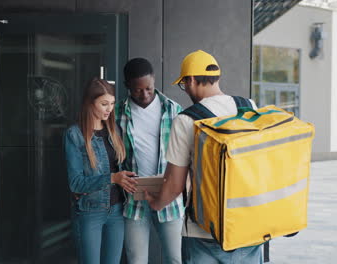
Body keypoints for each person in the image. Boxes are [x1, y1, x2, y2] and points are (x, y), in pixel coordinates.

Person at [145, 50, 263, 263]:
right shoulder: (249, 107)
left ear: (190, 80)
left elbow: (174, 184)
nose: (185, 89)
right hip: (249, 224)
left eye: (184, 84)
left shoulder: (186, 120)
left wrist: (156, 203)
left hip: (203, 232)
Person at [115, 58, 184, 264]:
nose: (144, 95)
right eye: (137, 90)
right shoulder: (117, 112)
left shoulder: (173, 109)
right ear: (127, 86)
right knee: (136, 259)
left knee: (176, 258)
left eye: (149, 88)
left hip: (169, 196)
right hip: (133, 198)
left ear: (154, 81)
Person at [65, 78, 137, 264]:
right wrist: (113, 178)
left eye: (112, 104)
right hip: (90, 212)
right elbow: (76, 183)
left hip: (116, 211)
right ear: (90, 102)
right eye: (104, 104)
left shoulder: (114, 131)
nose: (109, 109)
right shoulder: (75, 134)